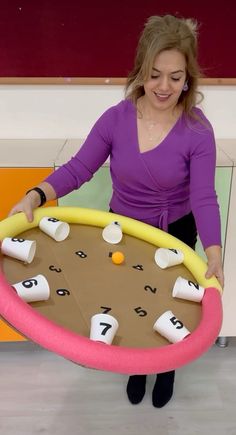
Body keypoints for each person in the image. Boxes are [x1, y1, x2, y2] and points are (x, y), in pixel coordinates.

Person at [9, 14, 224, 407]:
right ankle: (138, 366)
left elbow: (204, 196)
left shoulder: (197, 130)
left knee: (167, 306)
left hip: (173, 234)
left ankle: (166, 369)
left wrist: (213, 250)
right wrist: (36, 194)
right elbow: (78, 168)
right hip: (121, 231)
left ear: (189, 77)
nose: (164, 87)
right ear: (141, 69)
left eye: (175, 77)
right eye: (154, 74)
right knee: (129, 303)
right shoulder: (116, 118)